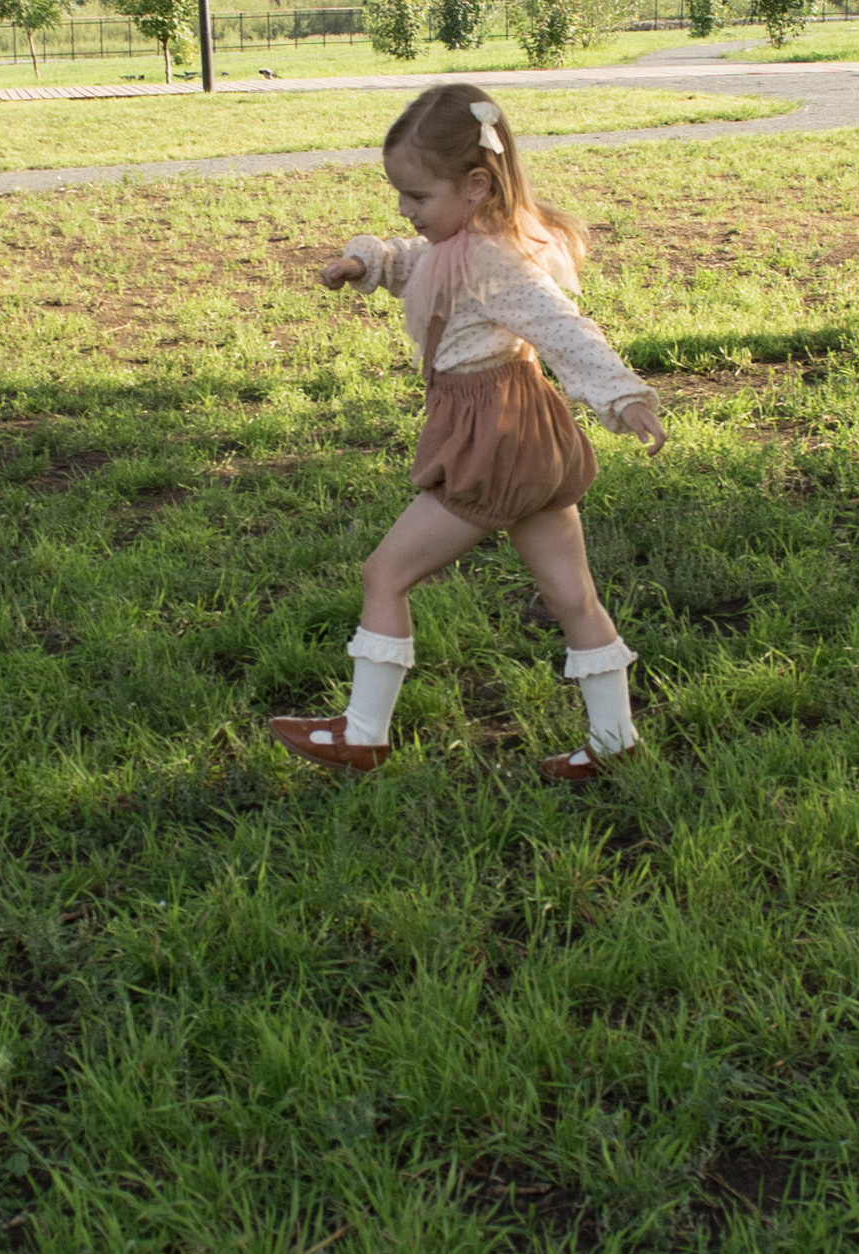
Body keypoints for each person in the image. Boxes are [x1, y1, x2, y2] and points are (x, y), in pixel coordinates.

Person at [270, 81, 665, 784]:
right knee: (572, 597)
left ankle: (363, 733)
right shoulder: (469, 243)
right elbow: (418, 266)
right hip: (532, 436)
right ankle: (614, 739)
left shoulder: (494, 262)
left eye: (417, 197)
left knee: (385, 573)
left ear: (476, 184)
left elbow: (563, 329)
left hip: (494, 440)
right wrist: (368, 262)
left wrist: (623, 397)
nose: (405, 210)